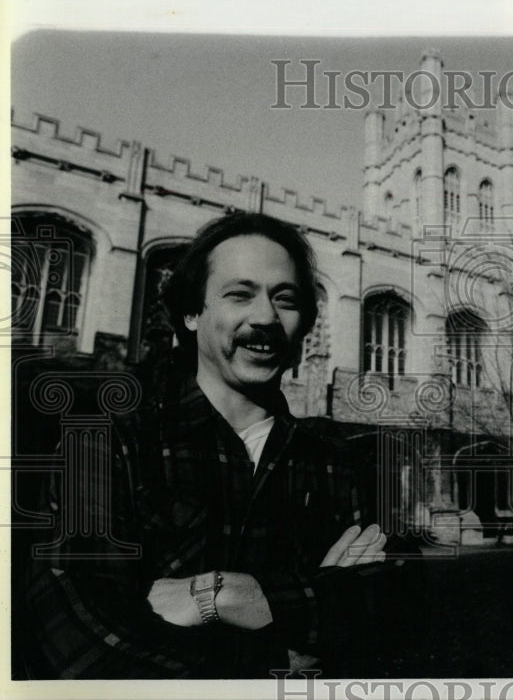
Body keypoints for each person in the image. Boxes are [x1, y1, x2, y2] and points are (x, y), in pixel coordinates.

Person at [26, 212, 414, 678]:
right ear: (192, 313)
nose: (266, 317)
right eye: (239, 294)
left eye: (285, 299)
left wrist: (230, 595)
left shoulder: (341, 462)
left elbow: (395, 612)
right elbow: (78, 640)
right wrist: (288, 651)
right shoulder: (107, 441)